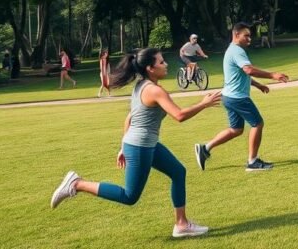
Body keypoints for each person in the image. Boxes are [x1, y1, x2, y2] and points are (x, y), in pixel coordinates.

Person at [50, 47, 221, 239]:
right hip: (141, 147)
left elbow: (129, 118)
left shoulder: (142, 85)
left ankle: (181, 224)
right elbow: (179, 115)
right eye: (161, 62)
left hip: (145, 144)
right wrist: (203, 103)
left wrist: (123, 146)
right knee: (129, 196)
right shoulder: (154, 90)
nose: (166, 65)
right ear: (150, 68)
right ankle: (77, 183)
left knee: (178, 172)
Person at [194, 22, 289, 172]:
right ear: (236, 35)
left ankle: (205, 148)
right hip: (238, 98)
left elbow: (242, 75)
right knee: (257, 124)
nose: (249, 39)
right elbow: (249, 70)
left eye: (250, 36)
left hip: (229, 96)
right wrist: (272, 75)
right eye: (246, 36)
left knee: (236, 130)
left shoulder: (233, 50)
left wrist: (259, 85)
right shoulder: (236, 50)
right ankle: (252, 162)